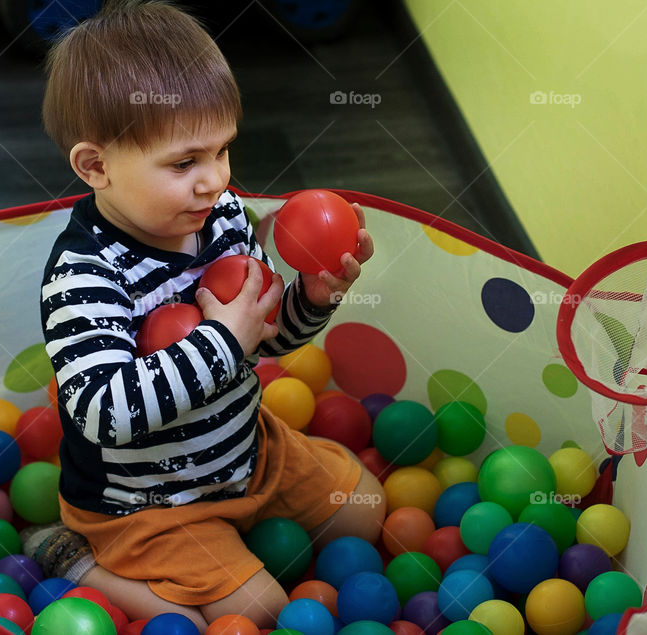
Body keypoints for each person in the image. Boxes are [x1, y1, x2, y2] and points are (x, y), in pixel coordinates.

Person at [22, 1, 383, 630]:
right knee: (259, 611)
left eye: (223, 150)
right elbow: (103, 414)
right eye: (185, 162)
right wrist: (221, 340)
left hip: (246, 453)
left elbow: (264, 340)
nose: (215, 179)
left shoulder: (220, 214)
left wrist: (312, 299)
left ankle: (246, 515)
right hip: (144, 503)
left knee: (368, 511)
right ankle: (74, 558)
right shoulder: (85, 275)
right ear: (96, 166)